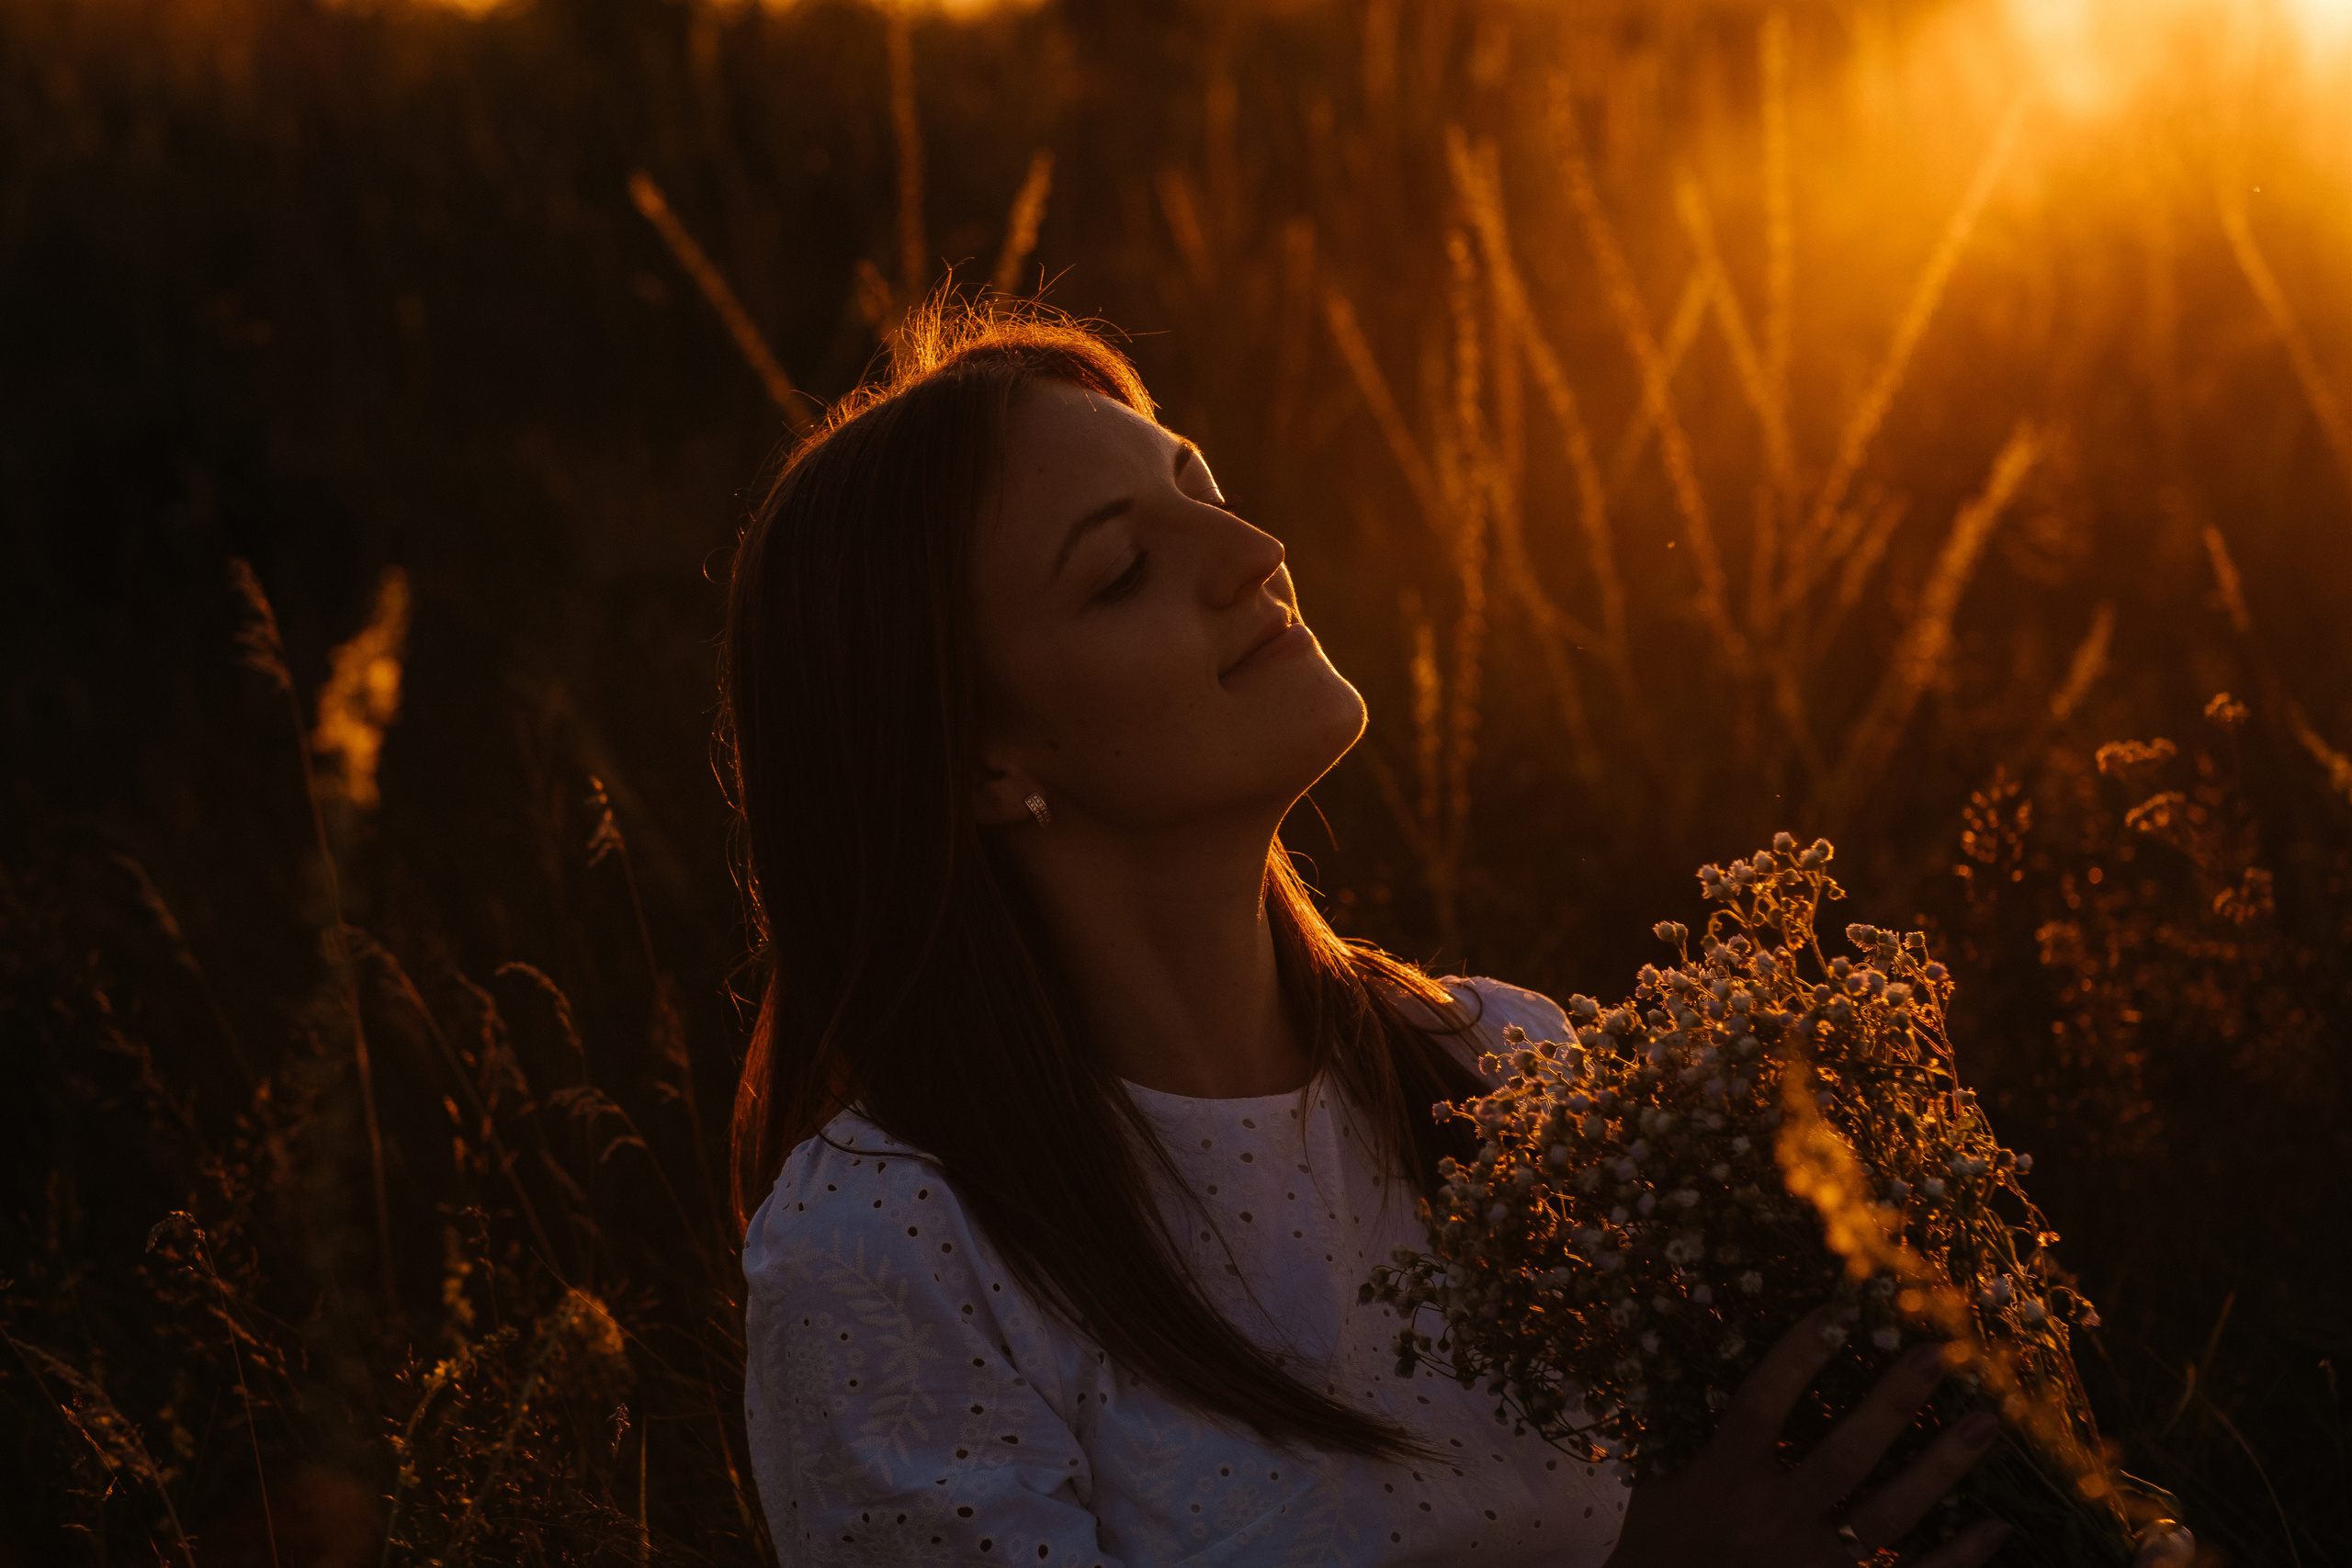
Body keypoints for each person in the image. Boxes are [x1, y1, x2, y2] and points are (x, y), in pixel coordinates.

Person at [722, 302, 2186, 1568]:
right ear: (984, 762)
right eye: (1122, 572)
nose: (1253, 550)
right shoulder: (895, 1250)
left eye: (1203, 489)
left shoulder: (1508, 1069)